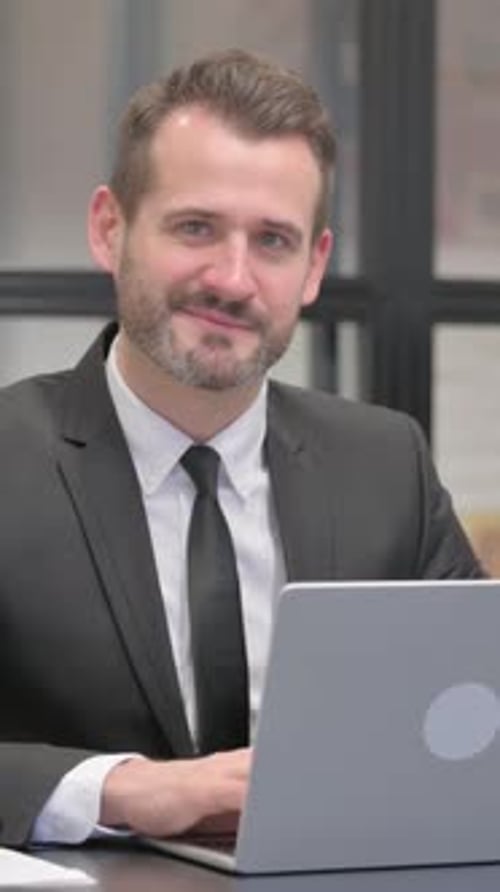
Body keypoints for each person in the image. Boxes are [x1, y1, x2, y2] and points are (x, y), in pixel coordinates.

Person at [0, 48, 483, 849]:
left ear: (314, 267)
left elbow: (477, 718)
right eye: (196, 227)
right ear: (109, 228)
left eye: (273, 241)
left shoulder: (385, 463)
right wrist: (115, 788)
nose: (232, 279)